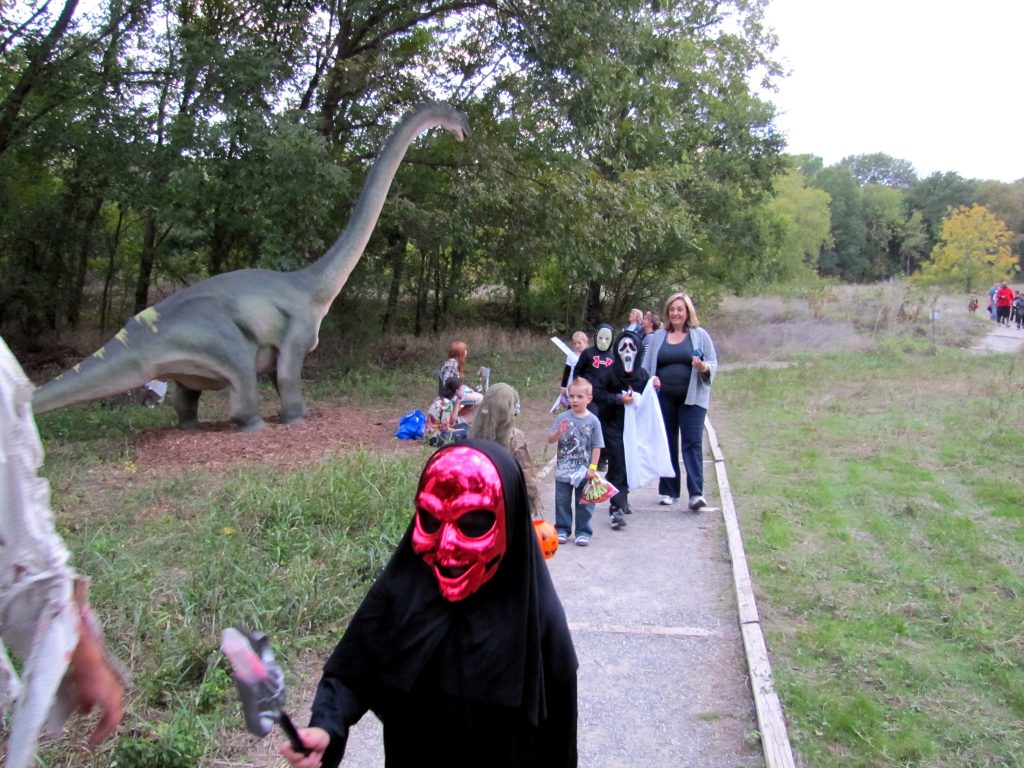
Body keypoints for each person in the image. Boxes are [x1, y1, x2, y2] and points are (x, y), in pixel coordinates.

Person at [278, 440, 579, 768]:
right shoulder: (407, 593)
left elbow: (559, 744)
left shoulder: (539, 623)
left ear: (509, 520)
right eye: (431, 520)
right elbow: (354, 670)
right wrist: (326, 727)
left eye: (473, 524)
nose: (446, 545)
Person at [642, 292, 718, 511]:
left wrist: (703, 367)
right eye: (672, 309)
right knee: (666, 443)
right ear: (667, 312)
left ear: (687, 312)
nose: (676, 313)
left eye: (680, 309)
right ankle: (668, 490)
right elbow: (646, 368)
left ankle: (696, 493)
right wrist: (650, 380)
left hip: (693, 399)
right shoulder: (657, 337)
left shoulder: (700, 335)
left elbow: (712, 362)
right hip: (663, 398)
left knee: (692, 443)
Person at [591, 328, 649, 529]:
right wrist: (617, 399)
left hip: (633, 429)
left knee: (628, 464)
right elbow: (597, 393)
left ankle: (623, 497)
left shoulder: (642, 375)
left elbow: (648, 399)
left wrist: (654, 386)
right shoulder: (609, 373)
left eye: (631, 348)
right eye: (623, 347)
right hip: (612, 426)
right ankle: (615, 508)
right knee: (617, 463)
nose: (627, 352)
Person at [471, 382, 545, 518]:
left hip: (478, 501)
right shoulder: (514, 437)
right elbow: (525, 470)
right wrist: (532, 497)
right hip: (507, 501)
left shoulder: (473, 435)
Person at [548, 378, 604, 547]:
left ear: (589, 398)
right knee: (562, 502)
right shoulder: (562, 418)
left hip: (584, 472)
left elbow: (597, 446)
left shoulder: (593, 421)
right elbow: (550, 440)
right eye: (571, 396)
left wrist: (593, 468)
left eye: (580, 396)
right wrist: (558, 432)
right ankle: (563, 529)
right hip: (564, 471)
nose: (574, 400)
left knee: (585, 503)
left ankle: (583, 531)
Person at [424, 376, 468, 446]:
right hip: (434, 438)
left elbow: (452, 421)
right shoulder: (447, 404)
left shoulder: (440, 398)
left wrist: (458, 401)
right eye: (460, 388)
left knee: (465, 425)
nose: (461, 390)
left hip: (431, 433)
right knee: (466, 432)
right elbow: (445, 428)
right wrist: (459, 431)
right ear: (456, 390)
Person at [438, 340, 484, 407]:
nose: (466, 352)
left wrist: (465, 389)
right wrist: (459, 391)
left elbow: (453, 383)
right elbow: (446, 383)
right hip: (451, 397)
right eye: (464, 350)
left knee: (478, 395)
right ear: (458, 353)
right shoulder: (452, 364)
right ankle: (462, 417)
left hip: (454, 394)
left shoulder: (454, 363)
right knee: (481, 399)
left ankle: (461, 416)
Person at [559, 331, 589, 400]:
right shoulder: (571, 356)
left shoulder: (589, 356)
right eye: (575, 343)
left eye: (579, 343)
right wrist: (563, 386)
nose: (577, 345)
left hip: (585, 386)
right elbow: (567, 372)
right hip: (572, 385)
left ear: (585, 342)